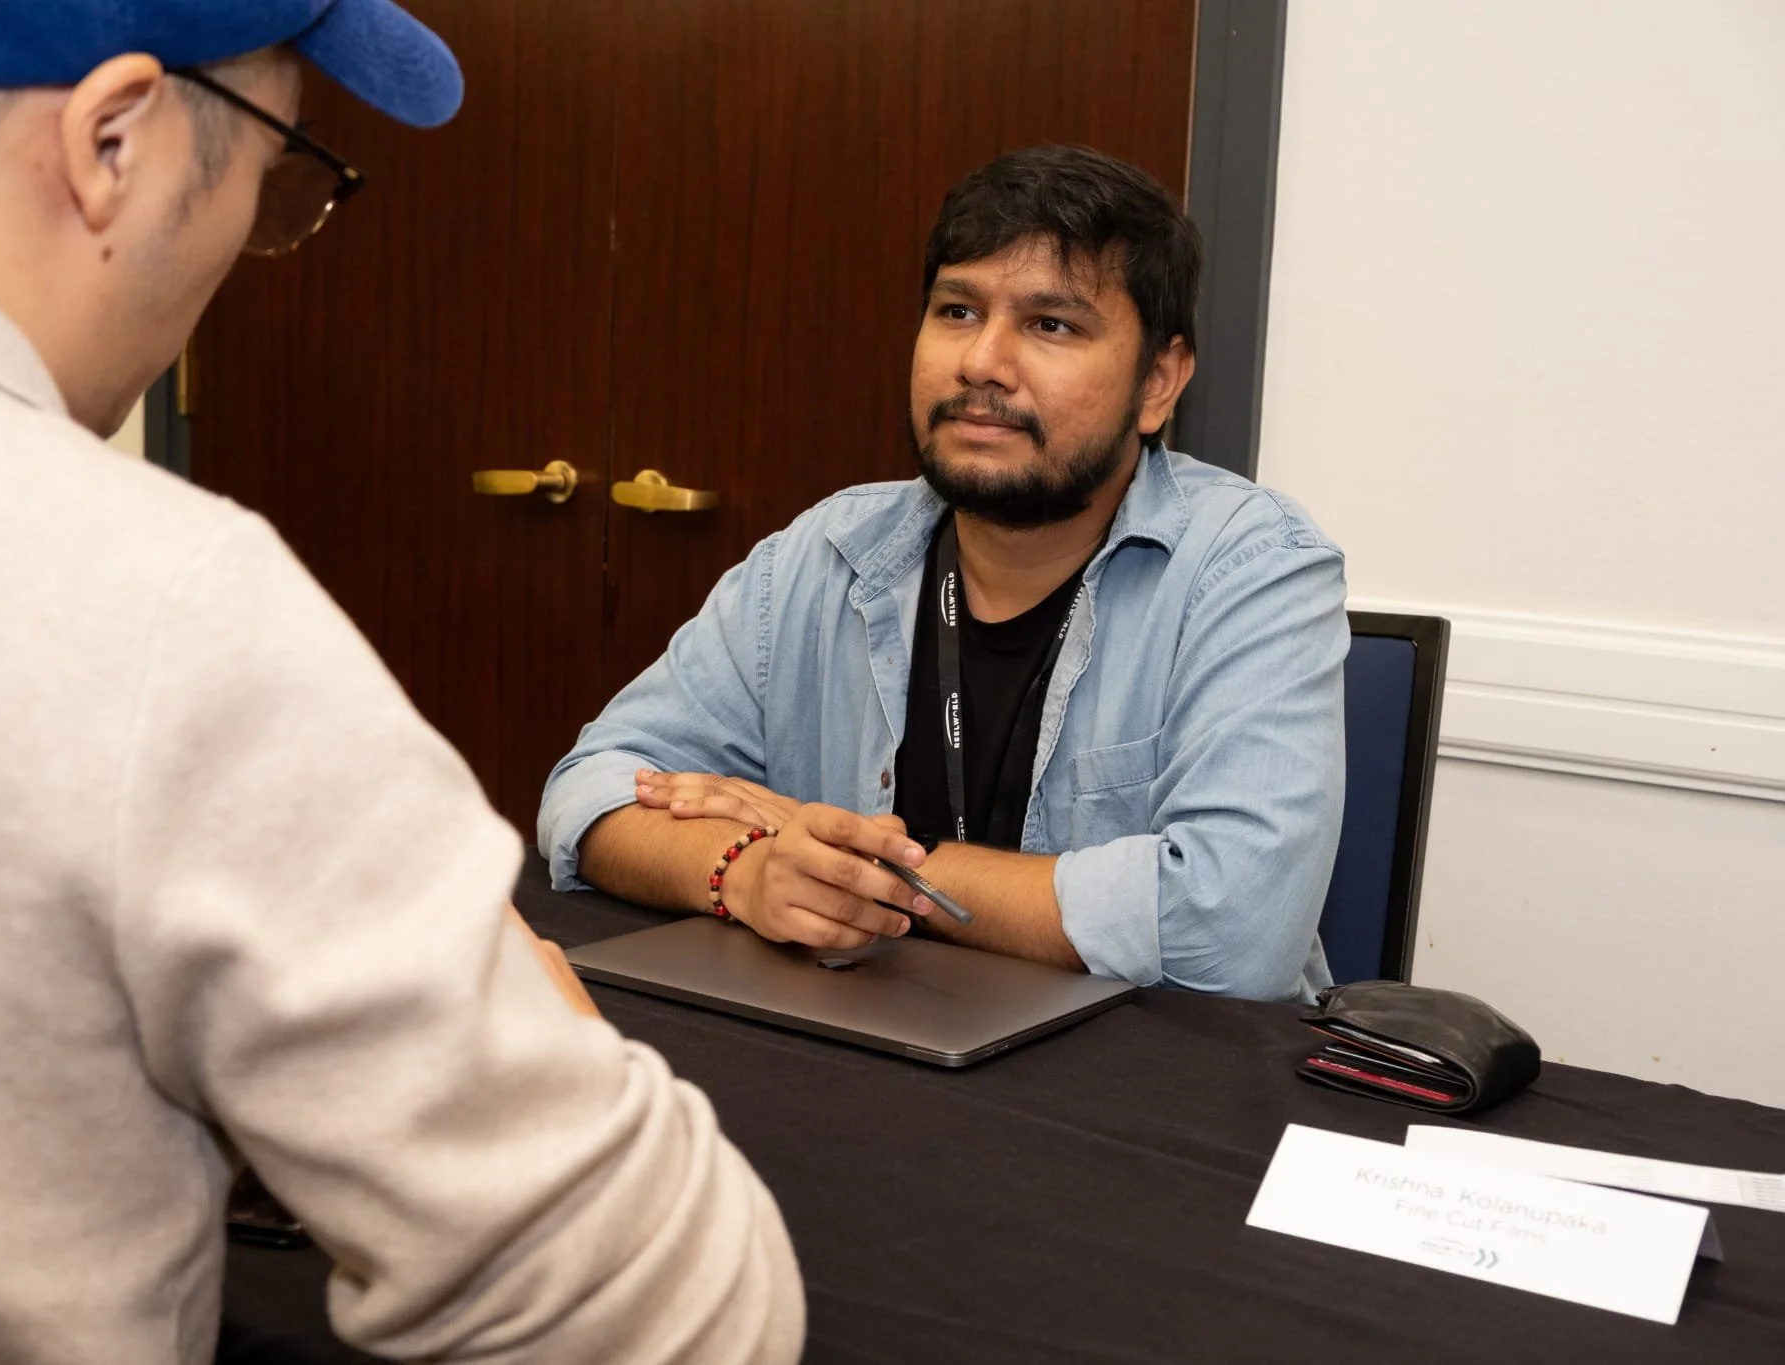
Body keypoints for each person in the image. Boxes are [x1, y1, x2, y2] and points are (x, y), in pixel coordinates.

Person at [0, 2, 800, 1362]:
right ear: (113, 140)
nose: (254, 242)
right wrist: (540, 1032)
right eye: (277, 175)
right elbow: (678, 1312)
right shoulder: (152, 606)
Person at [540, 145, 1348, 1005]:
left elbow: (1237, 931)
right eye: (958, 310)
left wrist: (878, 868)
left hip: (1148, 1093)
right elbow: (588, 792)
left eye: (1051, 325)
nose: (982, 364)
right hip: (861, 1053)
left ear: (1158, 383)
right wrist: (747, 869)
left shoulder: (1252, 568)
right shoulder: (830, 550)